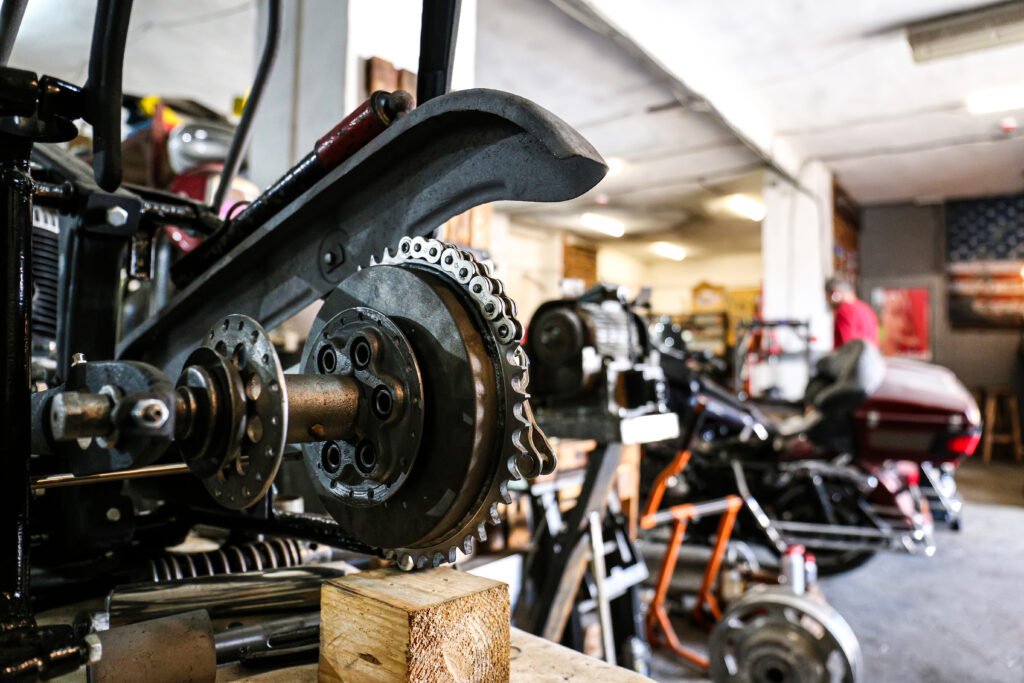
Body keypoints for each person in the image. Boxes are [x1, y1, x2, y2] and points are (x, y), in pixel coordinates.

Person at [825, 277, 879, 349]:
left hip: (852, 359)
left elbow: (847, 346)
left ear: (835, 294)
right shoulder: (866, 308)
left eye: (828, 297)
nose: (829, 301)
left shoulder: (844, 310)